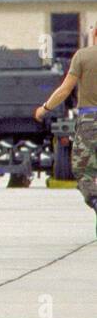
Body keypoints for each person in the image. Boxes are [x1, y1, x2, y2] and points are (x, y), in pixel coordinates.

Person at [36, 25, 97, 225]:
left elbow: (64, 90)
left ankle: (95, 200)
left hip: (90, 122)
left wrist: (44, 108)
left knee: (83, 170)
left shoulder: (83, 56)